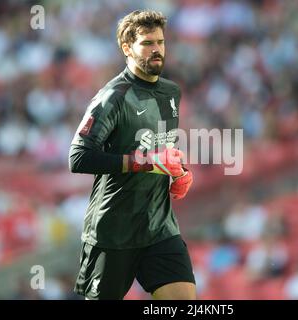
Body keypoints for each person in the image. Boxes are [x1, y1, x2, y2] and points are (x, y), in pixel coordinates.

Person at [69, 10, 195, 300]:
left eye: (161, 42)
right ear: (127, 48)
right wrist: (146, 163)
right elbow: (78, 158)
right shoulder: (112, 97)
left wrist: (179, 170)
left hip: (159, 227)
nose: (157, 50)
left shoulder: (171, 93)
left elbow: (159, 148)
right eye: (147, 43)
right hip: (114, 232)